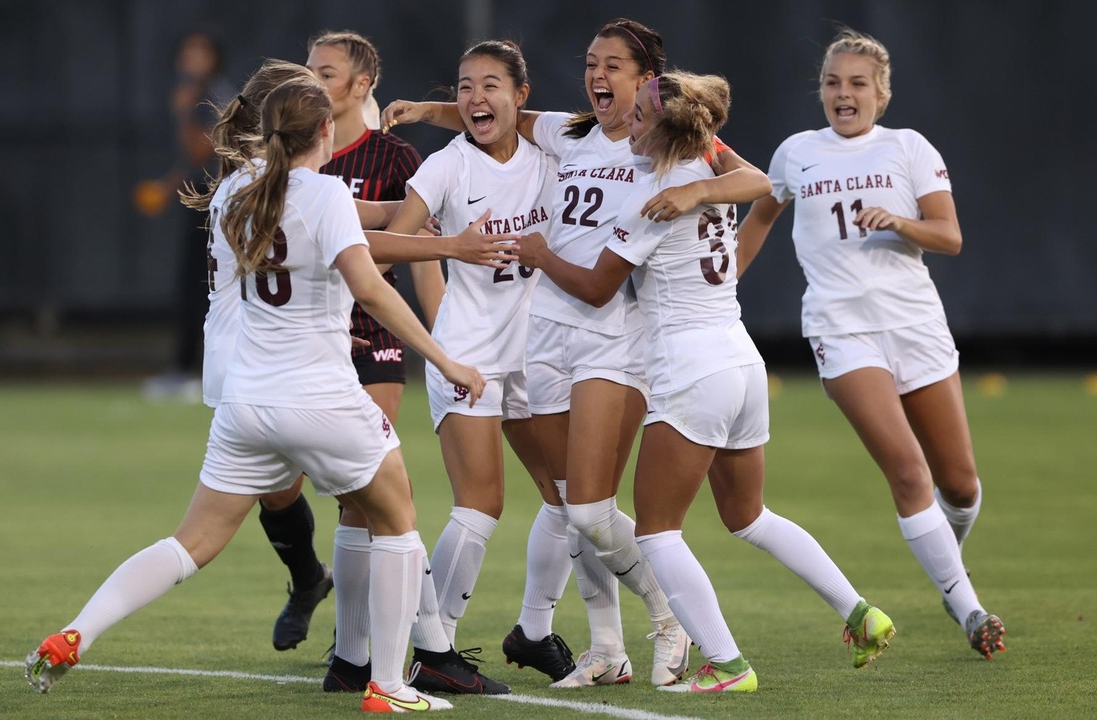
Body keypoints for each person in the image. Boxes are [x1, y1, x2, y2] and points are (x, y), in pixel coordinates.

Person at [24, 75, 485, 714]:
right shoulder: (324, 192)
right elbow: (372, 285)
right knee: (397, 522)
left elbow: (353, 229)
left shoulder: (235, 191)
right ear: (326, 131)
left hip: (245, 405)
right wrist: (446, 358)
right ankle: (388, 684)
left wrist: (435, 236)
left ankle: (78, 630)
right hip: (322, 397)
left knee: (191, 543)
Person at [384, 18, 769, 688]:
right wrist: (427, 111)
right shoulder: (570, 133)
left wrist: (701, 188)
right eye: (591, 63)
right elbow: (502, 111)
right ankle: (602, 644)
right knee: (569, 503)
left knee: (583, 506)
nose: (597, 75)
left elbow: (757, 182)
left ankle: (662, 618)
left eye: (613, 64)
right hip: (546, 338)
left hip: (617, 339)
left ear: (648, 80)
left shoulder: (670, 147)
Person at [517, 70, 897, 693]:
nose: (627, 125)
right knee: (749, 517)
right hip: (742, 363)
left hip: (690, 370)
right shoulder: (703, 175)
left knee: (656, 530)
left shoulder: (655, 192)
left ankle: (728, 664)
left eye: (639, 116)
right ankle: (859, 610)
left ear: (665, 130)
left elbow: (594, 287)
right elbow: (763, 187)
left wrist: (540, 254)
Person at [183, 59, 513, 697]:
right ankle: (346, 616)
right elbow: (363, 248)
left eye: (326, 71)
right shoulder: (275, 173)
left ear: (362, 83)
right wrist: (447, 252)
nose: (316, 82)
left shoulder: (386, 154)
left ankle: (369, 654)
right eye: (309, 73)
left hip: (352, 340)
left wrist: (415, 219)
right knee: (324, 498)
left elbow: (382, 220)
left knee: (366, 499)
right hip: (291, 354)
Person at [735, 28, 1005, 660]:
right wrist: (719, 288)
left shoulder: (908, 148)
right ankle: (970, 610)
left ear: (881, 94)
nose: (843, 94)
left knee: (960, 486)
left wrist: (899, 221)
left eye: (857, 83)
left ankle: (947, 572)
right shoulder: (796, 153)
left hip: (915, 324)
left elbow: (949, 236)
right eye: (833, 82)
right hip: (841, 329)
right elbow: (757, 223)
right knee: (908, 472)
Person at [377, 39, 564, 672]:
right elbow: (386, 247)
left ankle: (535, 631)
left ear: (521, 96)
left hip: (536, 355)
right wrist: (451, 246)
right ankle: (436, 646)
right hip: (468, 354)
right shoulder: (447, 168)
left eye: (489, 85)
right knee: (481, 501)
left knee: (571, 499)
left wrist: (431, 106)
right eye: (463, 86)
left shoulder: (549, 149)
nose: (475, 98)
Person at [139, 28, 236, 401]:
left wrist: (182, 113)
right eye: (188, 50)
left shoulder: (212, 95)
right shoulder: (202, 93)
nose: (190, 57)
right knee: (196, 287)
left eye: (199, 50)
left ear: (213, 58)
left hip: (219, 206)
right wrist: (166, 187)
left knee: (201, 288)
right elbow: (196, 163)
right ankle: (187, 368)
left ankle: (187, 371)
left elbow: (201, 152)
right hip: (205, 200)